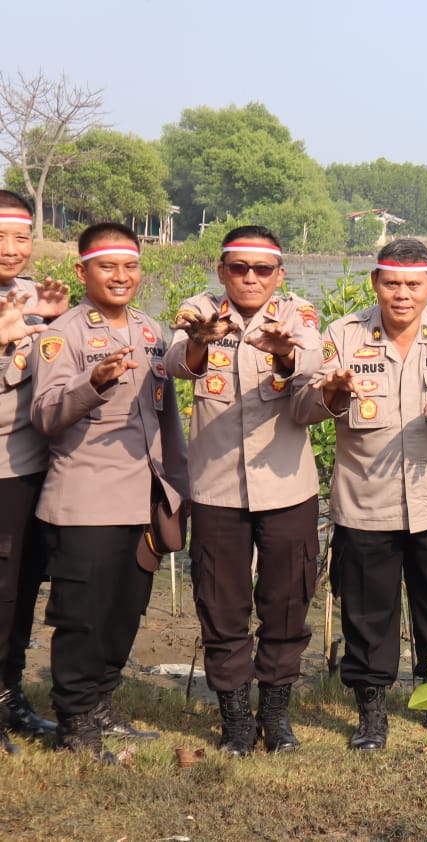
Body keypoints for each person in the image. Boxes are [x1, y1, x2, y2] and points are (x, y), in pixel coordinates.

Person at [292, 238, 427, 751]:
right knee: (368, 615)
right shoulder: (343, 334)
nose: (402, 294)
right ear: (375, 283)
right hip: (366, 503)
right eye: (391, 283)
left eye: (413, 284)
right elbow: (302, 407)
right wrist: (332, 392)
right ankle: (371, 712)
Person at [30, 223, 190, 759]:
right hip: (87, 498)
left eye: (130, 266)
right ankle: (75, 721)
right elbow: (45, 414)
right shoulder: (63, 335)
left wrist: (177, 488)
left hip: (143, 497)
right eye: (107, 267)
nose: (121, 276)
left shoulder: (151, 330)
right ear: (82, 272)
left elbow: (167, 419)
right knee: (82, 615)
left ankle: (101, 703)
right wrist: (93, 381)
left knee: (125, 610)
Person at [165, 226, 322, 756]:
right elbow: (175, 363)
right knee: (220, 604)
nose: (250, 277)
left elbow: (313, 362)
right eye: (239, 267)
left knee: (287, 602)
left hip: (287, 487)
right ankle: (235, 718)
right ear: (221, 271)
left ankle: (275, 715)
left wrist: (284, 356)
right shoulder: (200, 309)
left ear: (279, 274)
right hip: (217, 487)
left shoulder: (297, 313)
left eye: (262, 269)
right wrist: (199, 341)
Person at [0, 191, 69, 749]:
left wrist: (57, 321)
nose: (11, 248)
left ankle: (10, 696)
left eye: (21, 237)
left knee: (22, 585)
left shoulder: (34, 295)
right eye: (0, 237)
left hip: (32, 468)